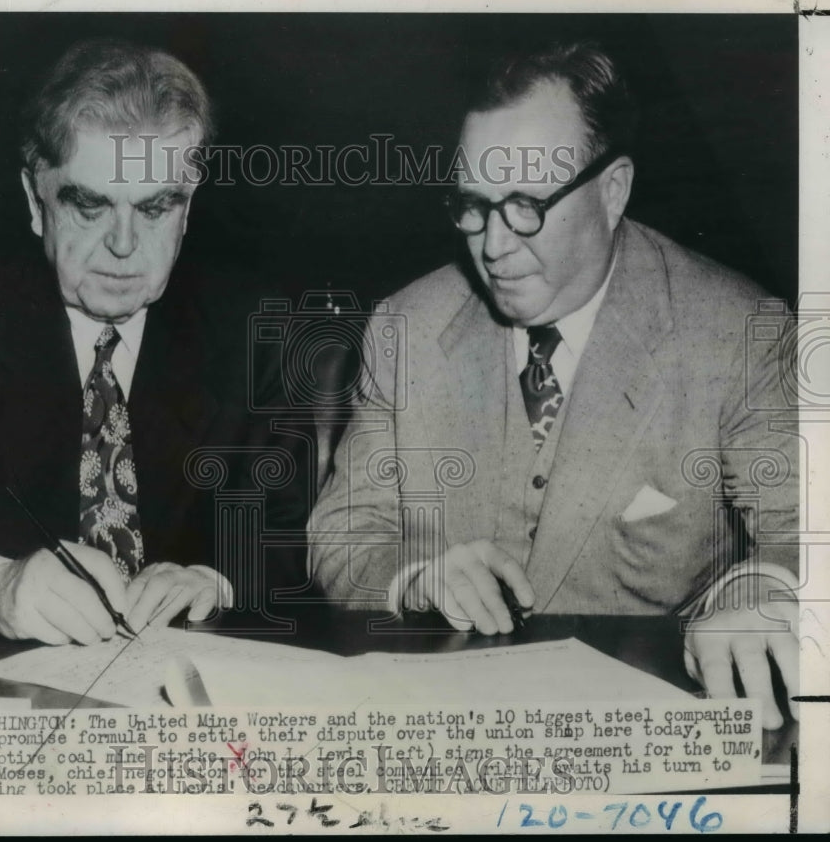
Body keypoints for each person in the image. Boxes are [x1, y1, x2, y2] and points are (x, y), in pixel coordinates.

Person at [308, 41, 799, 729]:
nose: (494, 246)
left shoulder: (737, 331)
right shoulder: (407, 326)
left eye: (526, 205)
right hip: (446, 732)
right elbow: (343, 532)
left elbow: (803, 526)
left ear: (612, 189)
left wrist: (761, 586)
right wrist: (415, 577)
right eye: (473, 204)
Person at [0, 38, 305, 646]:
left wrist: (213, 580)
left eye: (155, 208)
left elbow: (286, 540)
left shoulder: (252, 333)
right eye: (90, 205)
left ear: (189, 206)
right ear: (34, 200)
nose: (124, 245)